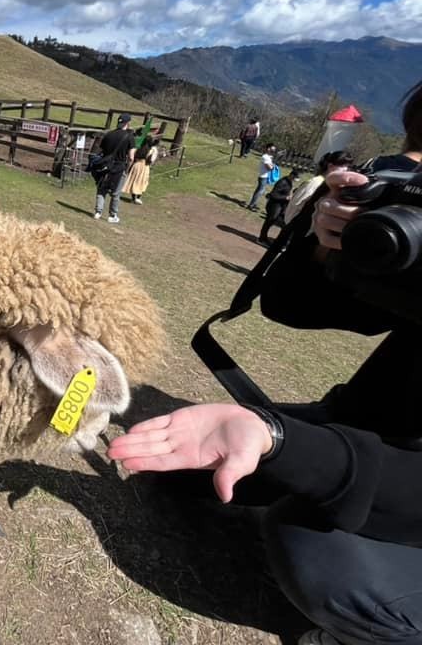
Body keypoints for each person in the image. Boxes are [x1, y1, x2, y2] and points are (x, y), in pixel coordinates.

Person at [109, 79, 422, 645]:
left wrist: (282, 442)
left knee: (316, 549)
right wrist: (327, 245)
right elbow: (291, 309)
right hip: (373, 427)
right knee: (184, 475)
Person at [89, 114, 136, 224]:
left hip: (106, 165)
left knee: (102, 189)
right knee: (115, 193)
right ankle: (112, 215)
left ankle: (98, 212)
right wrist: (127, 168)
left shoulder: (109, 134)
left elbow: (102, 151)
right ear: (127, 123)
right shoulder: (129, 137)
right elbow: (131, 156)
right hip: (119, 167)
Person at [284, 150, 355, 223]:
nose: (346, 169)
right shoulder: (315, 182)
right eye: (343, 165)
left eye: (348, 166)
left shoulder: (333, 186)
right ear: (330, 166)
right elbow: (295, 206)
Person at [258, 169, 300, 244]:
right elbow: (274, 194)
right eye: (294, 178)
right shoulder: (283, 182)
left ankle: (264, 237)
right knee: (269, 222)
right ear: (291, 175)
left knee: (272, 222)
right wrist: (286, 198)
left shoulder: (289, 182)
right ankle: (261, 238)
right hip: (274, 205)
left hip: (280, 206)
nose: (294, 180)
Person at [123, 136, 159, 204]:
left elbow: (133, 157)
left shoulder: (139, 149)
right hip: (144, 166)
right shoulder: (152, 150)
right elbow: (151, 160)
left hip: (136, 165)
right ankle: (138, 198)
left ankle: (133, 198)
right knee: (143, 182)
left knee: (134, 181)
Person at [246, 143, 278, 211]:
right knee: (259, 192)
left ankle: (254, 204)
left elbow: (271, 165)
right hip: (263, 177)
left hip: (265, 176)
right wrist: (273, 166)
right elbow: (269, 168)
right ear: (268, 148)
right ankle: (251, 205)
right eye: (272, 148)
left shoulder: (269, 157)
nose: (273, 150)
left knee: (260, 191)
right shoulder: (265, 157)